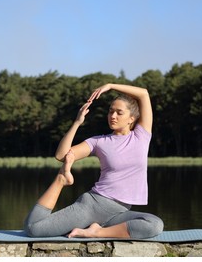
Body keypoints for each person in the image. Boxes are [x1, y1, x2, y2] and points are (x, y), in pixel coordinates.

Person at [24, 83, 164, 239]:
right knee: (33, 229)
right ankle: (61, 180)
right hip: (93, 206)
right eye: (111, 112)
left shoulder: (141, 136)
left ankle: (97, 231)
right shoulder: (99, 142)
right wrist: (77, 122)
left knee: (154, 224)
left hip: (119, 212)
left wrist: (110, 86)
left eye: (119, 112)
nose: (113, 116)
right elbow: (62, 155)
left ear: (132, 118)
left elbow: (143, 94)